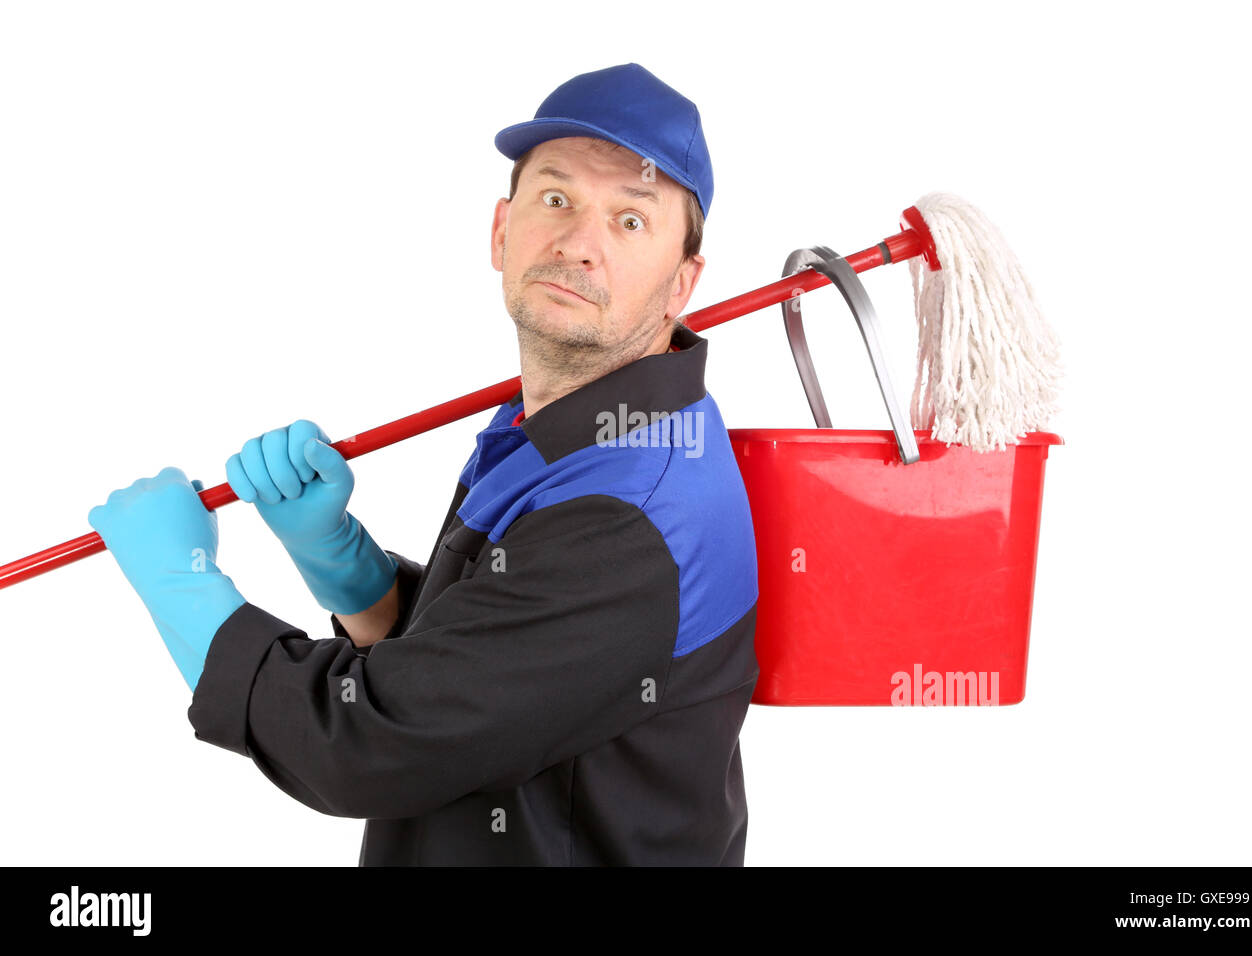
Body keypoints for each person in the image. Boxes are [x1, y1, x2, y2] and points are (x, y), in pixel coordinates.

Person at [87, 62, 760, 866]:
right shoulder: (559, 431)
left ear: (683, 282)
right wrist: (347, 566)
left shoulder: (631, 514)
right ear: (499, 232)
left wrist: (183, 584)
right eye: (557, 199)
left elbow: (370, 744)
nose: (580, 243)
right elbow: (478, 667)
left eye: (630, 221)